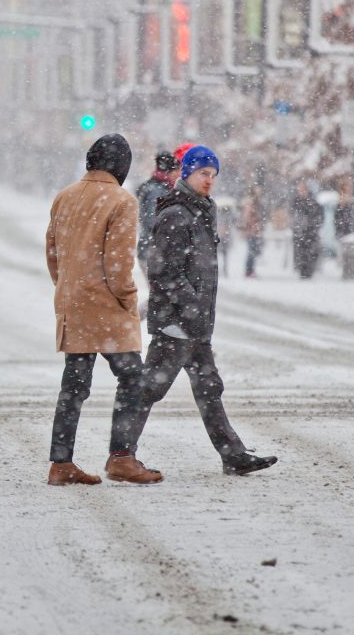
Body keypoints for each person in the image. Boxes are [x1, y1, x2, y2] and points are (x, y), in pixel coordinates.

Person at [130, 146, 277, 476]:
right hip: (176, 323)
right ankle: (122, 453)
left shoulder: (200, 210)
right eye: (203, 174)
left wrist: (198, 311)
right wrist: (191, 303)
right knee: (150, 388)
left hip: (194, 324)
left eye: (213, 175)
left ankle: (233, 455)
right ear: (187, 174)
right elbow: (163, 271)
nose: (209, 181)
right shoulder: (175, 214)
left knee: (209, 388)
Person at [44, 133, 161, 486]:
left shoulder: (64, 197)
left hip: (73, 304)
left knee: (74, 387)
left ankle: (61, 463)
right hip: (108, 308)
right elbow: (118, 263)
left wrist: (67, 286)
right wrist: (127, 300)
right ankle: (122, 457)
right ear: (121, 166)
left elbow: (52, 254)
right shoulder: (121, 201)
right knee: (133, 379)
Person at [135, 151, 180, 276]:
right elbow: (153, 221)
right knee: (160, 293)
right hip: (155, 253)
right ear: (168, 172)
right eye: (176, 171)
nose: (178, 175)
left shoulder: (157, 187)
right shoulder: (157, 191)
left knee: (159, 293)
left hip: (153, 251)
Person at [290, 179, 322, 279]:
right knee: (300, 252)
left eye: (303, 188)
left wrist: (313, 225)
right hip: (299, 232)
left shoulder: (313, 201)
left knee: (310, 252)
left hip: (310, 232)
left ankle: (308, 271)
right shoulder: (295, 201)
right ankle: (302, 270)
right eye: (299, 188)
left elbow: (318, 216)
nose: (300, 190)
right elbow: (293, 215)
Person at [240, 186, 264, 278]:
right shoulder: (250, 203)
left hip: (255, 230)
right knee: (251, 251)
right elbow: (246, 218)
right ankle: (249, 271)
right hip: (251, 231)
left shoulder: (257, 203)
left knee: (253, 250)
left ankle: (250, 270)